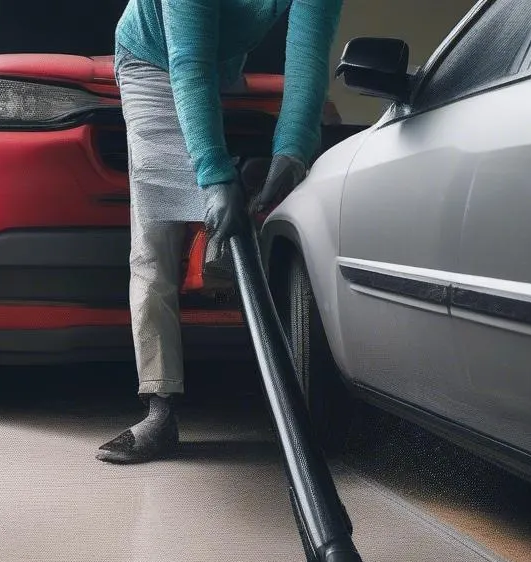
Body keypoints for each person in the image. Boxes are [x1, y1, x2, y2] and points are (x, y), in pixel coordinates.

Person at [97, 0, 345, 464]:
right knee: (156, 238)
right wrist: (211, 176)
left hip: (218, 64)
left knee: (236, 208)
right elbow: (186, 61)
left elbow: (308, 62)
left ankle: (220, 230)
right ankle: (160, 410)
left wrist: (290, 154)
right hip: (151, 61)